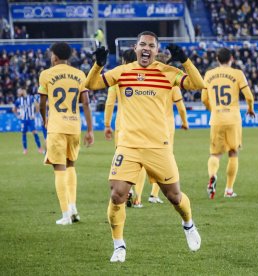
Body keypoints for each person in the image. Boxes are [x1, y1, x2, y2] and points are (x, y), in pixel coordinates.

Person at [85, 31, 204, 262]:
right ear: (136, 47)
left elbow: (199, 84)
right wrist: (97, 65)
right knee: (117, 194)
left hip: (158, 146)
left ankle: (188, 224)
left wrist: (186, 61)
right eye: (142, 44)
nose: (146, 48)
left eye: (151, 45)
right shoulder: (123, 71)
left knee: (174, 197)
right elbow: (90, 84)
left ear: (157, 51)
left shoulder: (167, 72)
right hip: (128, 145)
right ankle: (119, 246)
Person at [38, 42, 94, 225]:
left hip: (57, 127)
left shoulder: (46, 74)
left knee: (59, 169)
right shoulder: (79, 74)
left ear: (54, 56)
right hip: (74, 127)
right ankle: (73, 207)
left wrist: (44, 118)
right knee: (71, 166)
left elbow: (42, 103)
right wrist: (90, 130)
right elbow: (85, 103)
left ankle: (65, 214)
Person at [126, 52, 190, 208]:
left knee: (139, 160)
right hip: (164, 126)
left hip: (142, 125)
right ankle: (154, 194)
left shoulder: (144, 78)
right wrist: (185, 122)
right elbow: (180, 106)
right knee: (164, 161)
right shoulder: (170, 79)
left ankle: (138, 197)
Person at [201, 47, 255, 199]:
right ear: (231, 58)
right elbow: (249, 97)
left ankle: (212, 175)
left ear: (217, 59)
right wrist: (250, 109)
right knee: (233, 152)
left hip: (216, 118)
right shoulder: (237, 74)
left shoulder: (209, 74)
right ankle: (229, 190)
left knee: (215, 154)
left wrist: (212, 109)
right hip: (233, 119)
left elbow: (204, 99)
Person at [13, 84, 43, 155]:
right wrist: (18, 116)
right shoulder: (19, 100)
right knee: (23, 134)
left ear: (24, 91)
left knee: (34, 132)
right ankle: (25, 149)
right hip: (23, 119)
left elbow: (37, 105)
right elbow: (14, 109)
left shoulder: (31, 98)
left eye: (20, 91)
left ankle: (39, 148)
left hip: (30, 119)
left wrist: (35, 114)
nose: (19, 92)